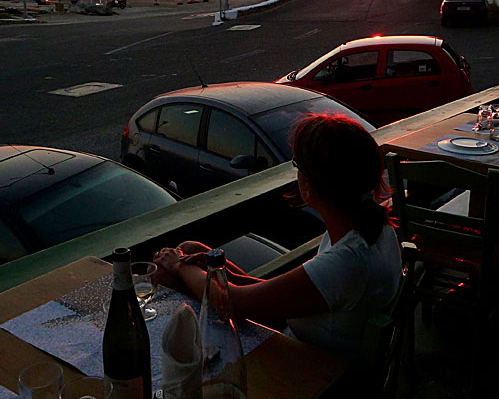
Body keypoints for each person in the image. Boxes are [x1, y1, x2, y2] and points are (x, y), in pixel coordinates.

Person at [153, 113, 402, 354]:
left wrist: (180, 267)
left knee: (167, 272)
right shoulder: (371, 226)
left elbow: (233, 304)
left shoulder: (346, 263)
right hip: (310, 335)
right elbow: (283, 294)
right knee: (193, 249)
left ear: (313, 183)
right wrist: (218, 267)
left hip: (309, 363)